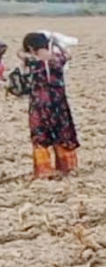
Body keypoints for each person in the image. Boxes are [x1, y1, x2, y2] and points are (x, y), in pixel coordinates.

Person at [22, 32, 79, 179]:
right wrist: (55, 44)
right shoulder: (58, 60)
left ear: (30, 47)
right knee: (63, 132)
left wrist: (29, 50)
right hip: (59, 102)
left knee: (41, 135)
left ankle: (44, 169)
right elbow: (68, 55)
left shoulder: (32, 61)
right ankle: (67, 167)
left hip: (39, 104)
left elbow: (19, 54)